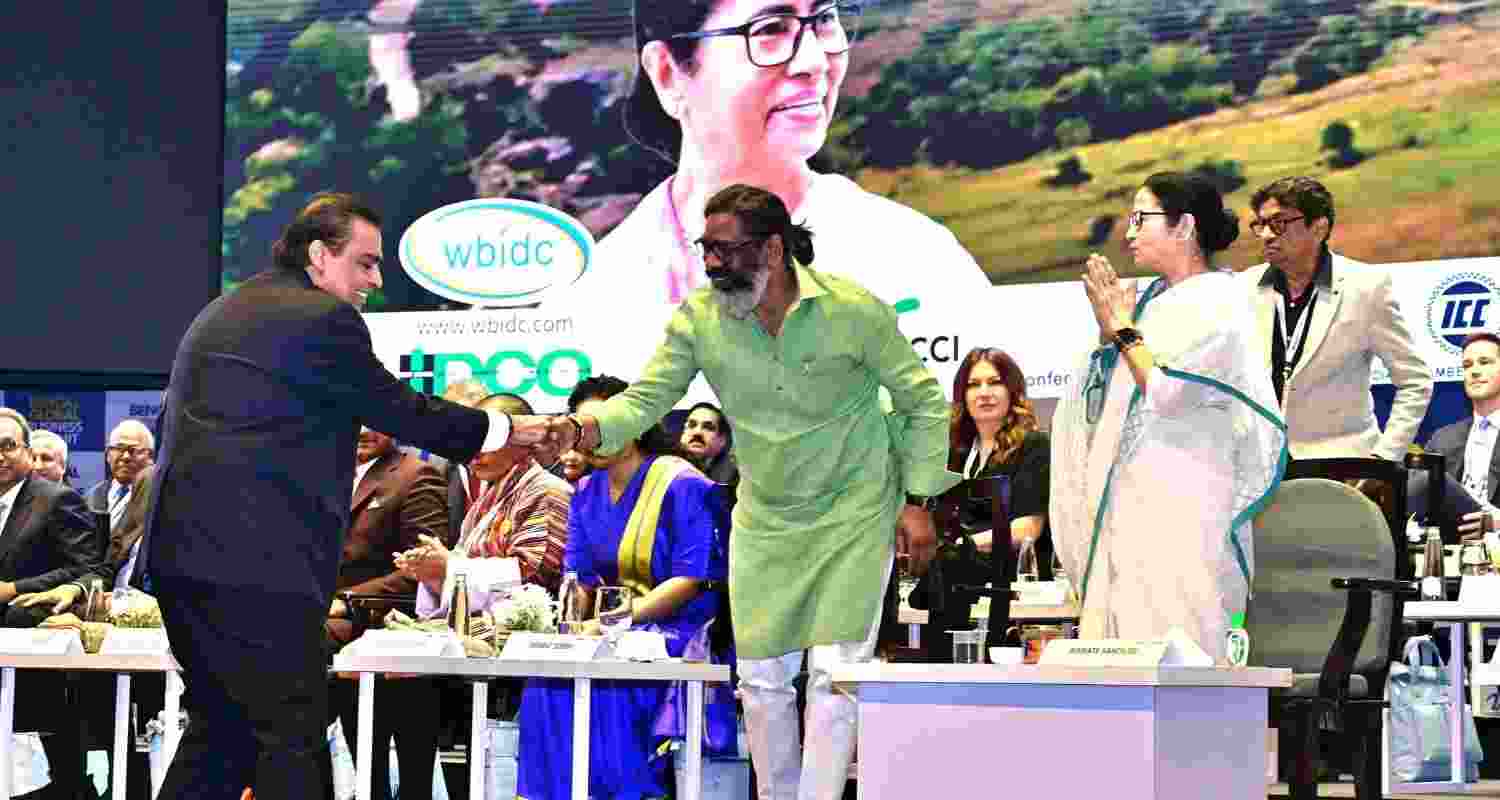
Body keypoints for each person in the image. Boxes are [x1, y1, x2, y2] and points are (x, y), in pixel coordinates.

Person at [548, 184, 957, 800]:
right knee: (762, 679)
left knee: (835, 674)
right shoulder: (698, 319)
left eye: (725, 249)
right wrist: (581, 427)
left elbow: (922, 401)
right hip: (764, 517)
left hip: (855, 510)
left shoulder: (853, 309)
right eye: (705, 248)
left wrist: (919, 501)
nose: (711, 263)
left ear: (772, 248)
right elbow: (647, 400)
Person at [141, 192, 552, 800]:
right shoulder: (320, 318)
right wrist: (505, 428)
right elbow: (396, 406)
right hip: (257, 569)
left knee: (221, 732)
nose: (376, 280)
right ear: (318, 254)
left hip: (186, 564)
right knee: (291, 735)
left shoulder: (228, 309)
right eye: (365, 263)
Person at [581, 0, 987, 313]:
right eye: (771, 28)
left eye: (825, 19)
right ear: (668, 74)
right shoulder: (604, 297)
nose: (814, 62)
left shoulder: (917, 260)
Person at [1050, 172, 1286, 662]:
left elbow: (1168, 391)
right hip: (1130, 505)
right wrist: (1109, 332)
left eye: (1142, 219)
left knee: (1181, 652)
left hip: (1187, 508)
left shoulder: (1222, 299)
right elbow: (1106, 398)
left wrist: (1121, 327)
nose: (1129, 233)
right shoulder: (1151, 302)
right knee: (1121, 654)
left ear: (1184, 227)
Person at [517, 375, 734, 800]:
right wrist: (574, 625)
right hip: (610, 628)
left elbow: (691, 580)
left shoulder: (684, 483)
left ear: (634, 422)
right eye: (583, 427)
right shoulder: (585, 490)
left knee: (612, 677)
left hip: (678, 633)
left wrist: (616, 621)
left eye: (600, 424)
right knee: (547, 677)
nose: (590, 438)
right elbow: (576, 577)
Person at [1235, 176, 1431, 460]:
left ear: (1319, 227)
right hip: (1259, 469)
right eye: (1260, 224)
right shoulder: (1242, 288)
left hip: (1344, 469)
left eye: (1278, 223)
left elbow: (1415, 381)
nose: (1266, 234)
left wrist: (1384, 460)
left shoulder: (1366, 288)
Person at [326, 426, 450, 800]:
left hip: (396, 642)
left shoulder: (416, 473)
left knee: (413, 782)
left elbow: (425, 571)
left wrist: (346, 600)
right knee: (364, 776)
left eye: (372, 418)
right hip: (337, 644)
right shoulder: (324, 472)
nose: (362, 429)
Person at [913, 346, 1051, 655]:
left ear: (1012, 390)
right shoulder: (952, 452)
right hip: (950, 586)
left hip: (1011, 590)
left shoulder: (1034, 446)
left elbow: (1026, 530)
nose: (984, 392)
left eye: (995, 382)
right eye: (974, 385)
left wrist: (962, 546)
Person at [0, 407, 102, 800]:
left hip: (36, 667)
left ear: (26, 451)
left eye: (9, 446)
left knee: (51, 781)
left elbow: (88, 570)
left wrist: (14, 588)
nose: (1, 455)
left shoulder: (57, 500)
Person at [401, 393, 574, 617]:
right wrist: (432, 571)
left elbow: (537, 580)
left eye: (487, 442)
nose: (474, 453)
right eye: (472, 441)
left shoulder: (547, 491)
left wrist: (449, 567)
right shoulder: (488, 499)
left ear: (525, 439)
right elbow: (459, 567)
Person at [1420, 333, 1500, 538]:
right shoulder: (1442, 439)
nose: (1474, 371)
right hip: (1451, 549)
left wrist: (1496, 522)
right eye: (1467, 365)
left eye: (1484, 362)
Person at [89, 419, 154, 531]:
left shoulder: (157, 498)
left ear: (150, 457)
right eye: (119, 448)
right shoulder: (91, 497)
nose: (125, 457)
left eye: (133, 450)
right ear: (108, 455)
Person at [678, 401, 738, 487]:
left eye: (708, 427)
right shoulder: (665, 466)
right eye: (692, 425)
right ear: (682, 434)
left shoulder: (732, 476)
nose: (697, 432)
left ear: (722, 440)